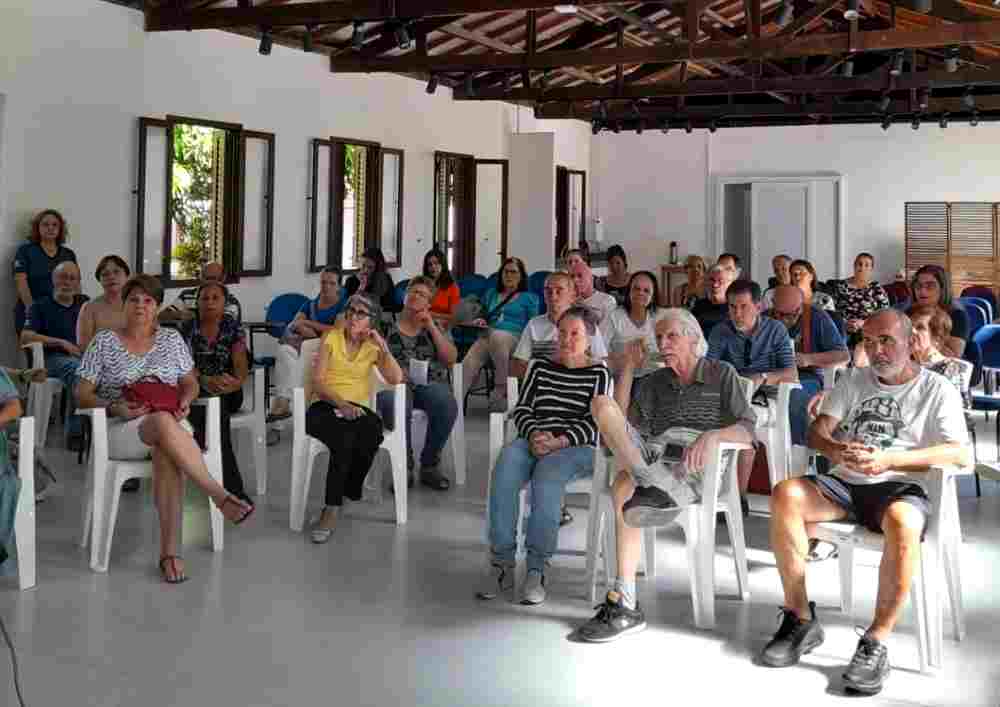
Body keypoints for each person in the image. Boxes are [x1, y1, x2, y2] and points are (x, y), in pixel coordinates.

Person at [759, 309, 970, 696]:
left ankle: (875, 640)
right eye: (869, 342)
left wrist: (889, 460)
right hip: (846, 484)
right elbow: (817, 431)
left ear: (910, 342)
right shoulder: (854, 381)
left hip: (900, 485)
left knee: (905, 523)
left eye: (887, 340)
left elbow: (958, 453)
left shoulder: (936, 390)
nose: (877, 351)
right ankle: (800, 617)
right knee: (785, 494)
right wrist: (837, 449)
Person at [575, 310, 755, 642]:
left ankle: (624, 600)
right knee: (602, 405)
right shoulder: (656, 382)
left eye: (671, 336)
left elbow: (748, 429)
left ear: (694, 339)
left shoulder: (721, 373)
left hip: (694, 467)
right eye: (659, 338)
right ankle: (626, 597)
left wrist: (714, 436)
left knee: (624, 488)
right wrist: (628, 368)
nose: (663, 343)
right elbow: (626, 428)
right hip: (654, 458)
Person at [76, 274, 254, 584]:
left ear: (157, 307)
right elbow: (81, 392)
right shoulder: (104, 341)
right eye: (134, 299)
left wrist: (186, 397)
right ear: (124, 304)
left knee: (166, 445)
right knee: (162, 424)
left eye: (148, 301)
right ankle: (216, 493)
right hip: (124, 427)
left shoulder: (171, 340)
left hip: (169, 425)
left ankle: (169, 554)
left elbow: (190, 383)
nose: (141, 306)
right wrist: (115, 406)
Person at [477, 307, 611, 605]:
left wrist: (559, 441)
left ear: (589, 338)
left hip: (575, 446)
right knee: (506, 466)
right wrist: (536, 434)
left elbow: (596, 424)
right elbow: (522, 408)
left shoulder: (599, 373)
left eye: (574, 333)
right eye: (562, 333)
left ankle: (537, 567)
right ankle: (502, 563)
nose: (566, 339)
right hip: (535, 438)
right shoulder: (539, 367)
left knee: (547, 476)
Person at [305, 293, 403, 544]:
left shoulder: (372, 347)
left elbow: (395, 378)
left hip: (356, 409)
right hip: (324, 405)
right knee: (345, 438)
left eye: (360, 313)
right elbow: (317, 382)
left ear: (371, 321)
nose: (352, 316)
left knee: (374, 429)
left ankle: (349, 488)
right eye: (350, 310)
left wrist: (384, 348)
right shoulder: (332, 337)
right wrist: (341, 404)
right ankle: (331, 509)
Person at [706, 279, 797, 493]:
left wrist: (762, 377)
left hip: (766, 398)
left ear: (758, 307)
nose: (737, 313)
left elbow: (791, 373)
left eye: (743, 306)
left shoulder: (776, 330)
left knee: (747, 418)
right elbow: (709, 368)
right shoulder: (720, 331)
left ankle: (739, 494)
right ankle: (710, 490)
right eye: (732, 307)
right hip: (729, 393)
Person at [376, 277, 459, 491]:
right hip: (392, 382)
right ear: (404, 296)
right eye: (412, 291)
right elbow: (370, 354)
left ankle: (430, 465)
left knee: (446, 403)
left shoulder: (436, 325)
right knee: (395, 401)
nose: (415, 296)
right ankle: (404, 466)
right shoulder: (385, 321)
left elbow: (450, 358)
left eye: (422, 294)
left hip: (427, 383)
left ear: (429, 304)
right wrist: (394, 371)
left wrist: (431, 326)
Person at [180, 282, 252, 504]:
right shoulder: (187, 329)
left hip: (228, 390)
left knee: (215, 408)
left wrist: (233, 382)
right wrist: (205, 380)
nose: (209, 302)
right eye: (204, 298)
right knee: (211, 411)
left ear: (224, 303)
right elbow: (185, 367)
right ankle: (232, 489)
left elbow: (241, 366)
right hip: (197, 387)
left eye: (215, 298)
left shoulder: (233, 328)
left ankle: (217, 481)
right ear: (197, 303)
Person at [769, 286, 849, 447]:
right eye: (779, 314)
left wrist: (808, 359)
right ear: (772, 305)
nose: (783, 320)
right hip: (772, 376)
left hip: (807, 376)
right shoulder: (765, 318)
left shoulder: (817, 318)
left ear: (800, 308)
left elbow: (844, 355)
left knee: (794, 397)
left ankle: (800, 451)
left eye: (790, 315)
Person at [20, 262, 88, 448]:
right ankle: (76, 433)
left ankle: (101, 431)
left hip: (81, 356)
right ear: (53, 279)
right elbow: (25, 337)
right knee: (80, 371)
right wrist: (60, 342)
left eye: (72, 278)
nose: (67, 282)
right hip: (52, 360)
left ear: (78, 282)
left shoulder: (85, 304)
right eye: (62, 277)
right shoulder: (39, 306)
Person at [268, 266, 346, 421]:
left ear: (339, 286)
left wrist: (308, 325)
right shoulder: (310, 304)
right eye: (323, 282)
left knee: (300, 353)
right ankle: (283, 401)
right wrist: (307, 329)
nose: (326, 287)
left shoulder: (343, 305)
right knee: (284, 351)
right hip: (303, 345)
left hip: (326, 349)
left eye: (331, 283)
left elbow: (336, 330)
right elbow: (294, 324)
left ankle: (286, 402)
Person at [462, 257, 539, 412]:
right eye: (505, 271)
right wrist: (480, 321)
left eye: (513, 272)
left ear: (521, 276)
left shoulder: (529, 298)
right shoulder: (491, 294)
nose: (509, 275)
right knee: (470, 360)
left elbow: (533, 326)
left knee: (498, 337)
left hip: (515, 339)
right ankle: (456, 397)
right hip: (489, 335)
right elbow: (484, 314)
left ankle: (500, 386)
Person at [512, 271, 610, 379]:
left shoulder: (587, 324)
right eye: (548, 291)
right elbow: (519, 364)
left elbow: (601, 362)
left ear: (572, 296)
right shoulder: (533, 324)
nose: (553, 296)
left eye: (559, 291)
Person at [12, 209, 78, 336]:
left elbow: (75, 286)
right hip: (31, 312)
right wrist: (32, 311)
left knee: (64, 354)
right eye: (45, 224)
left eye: (55, 225)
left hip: (61, 314)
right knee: (37, 355)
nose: (50, 228)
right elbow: (20, 281)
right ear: (37, 227)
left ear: (60, 229)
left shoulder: (68, 254)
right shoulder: (25, 251)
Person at [606, 271, 666, 380]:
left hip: (655, 377)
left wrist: (647, 356)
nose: (640, 293)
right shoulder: (614, 316)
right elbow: (599, 350)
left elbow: (666, 353)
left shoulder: (660, 317)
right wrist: (623, 358)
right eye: (636, 288)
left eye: (646, 291)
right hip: (621, 377)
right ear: (629, 291)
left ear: (652, 297)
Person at [907, 265, 968, 358]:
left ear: (943, 289)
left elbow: (954, 357)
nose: (922, 291)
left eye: (930, 286)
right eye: (918, 286)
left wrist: (927, 340)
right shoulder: (908, 312)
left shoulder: (957, 316)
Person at [830, 252, 890, 349]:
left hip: (868, 327)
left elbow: (885, 313)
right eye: (859, 264)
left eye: (867, 265)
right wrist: (845, 323)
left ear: (871, 269)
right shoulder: (840, 286)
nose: (862, 268)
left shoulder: (876, 288)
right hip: (843, 327)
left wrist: (864, 323)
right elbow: (832, 309)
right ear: (854, 266)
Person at [159, 262, 242, 324]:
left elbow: (225, 323)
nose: (211, 282)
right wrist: (179, 315)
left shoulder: (230, 301)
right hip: (187, 345)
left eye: (214, 278)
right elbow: (162, 315)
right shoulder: (187, 295)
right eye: (207, 278)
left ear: (223, 279)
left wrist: (193, 316)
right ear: (201, 278)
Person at [78, 255, 131, 352]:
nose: (111, 277)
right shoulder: (89, 307)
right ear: (100, 280)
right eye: (105, 274)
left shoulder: (137, 305)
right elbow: (84, 347)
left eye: (116, 272)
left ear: (127, 276)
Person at [568, 254, 617, 333]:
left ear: (591, 278)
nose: (575, 280)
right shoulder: (567, 301)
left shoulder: (608, 301)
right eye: (572, 276)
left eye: (580, 276)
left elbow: (606, 333)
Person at [345, 248, 398, 315]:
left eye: (370, 267)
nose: (365, 270)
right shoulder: (351, 281)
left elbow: (390, 306)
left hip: (380, 318)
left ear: (377, 268)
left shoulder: (385, 279)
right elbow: (349, 307)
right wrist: (361, 286)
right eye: (363, 265)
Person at [691, 264, 733, 337]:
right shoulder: (699, 305)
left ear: (729, 284)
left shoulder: (734, 307)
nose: (715, 285)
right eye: (712, 280)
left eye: (720, 281)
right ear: (706, 282)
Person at [422, 248, 460, 326]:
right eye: (430, 264)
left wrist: (432, 314)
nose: (433, 267)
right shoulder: (422, 284)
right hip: (422, 323)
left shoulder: (452, 287)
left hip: (443, 326)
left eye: (436, 263)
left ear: (443, 265)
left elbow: (455, 317)